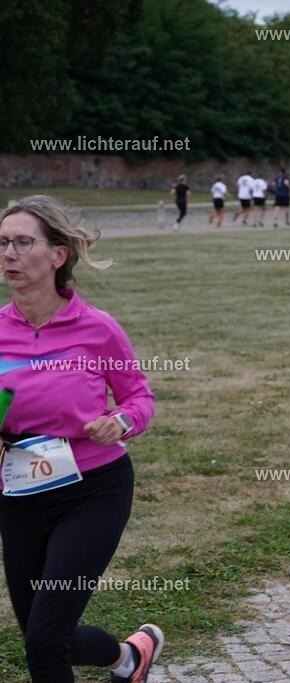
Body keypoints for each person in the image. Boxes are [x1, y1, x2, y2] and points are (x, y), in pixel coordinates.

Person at [0, 196, 161, 682]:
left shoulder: (96, 328)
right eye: (3, 243)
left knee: (47, 637)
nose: (9, 254)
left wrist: (120, 421)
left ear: (58, 255)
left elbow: (139, 397)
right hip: (20, 494)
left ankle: (128, 658)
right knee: (42, 638)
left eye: (22, 242)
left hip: (92, 491)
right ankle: (129, 658)